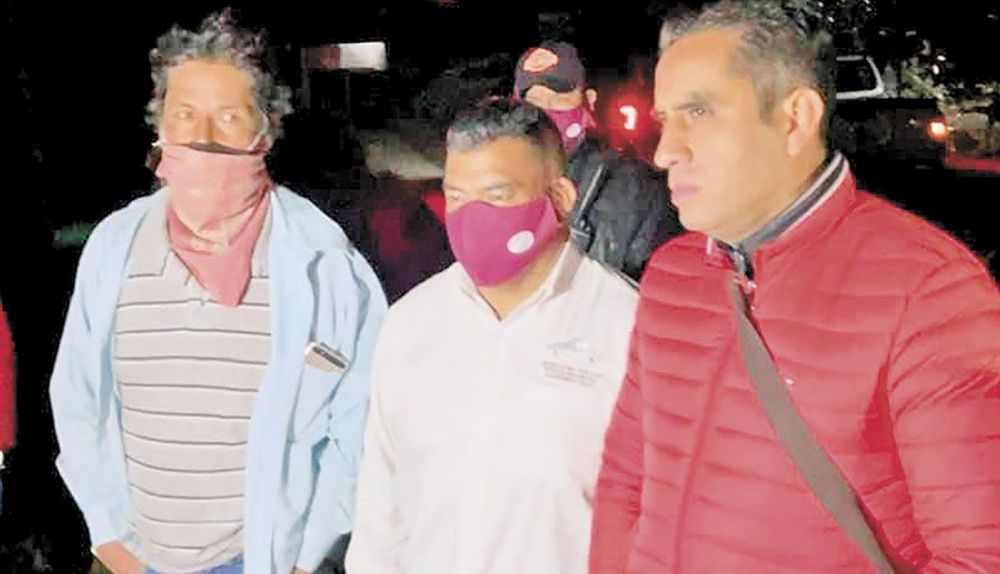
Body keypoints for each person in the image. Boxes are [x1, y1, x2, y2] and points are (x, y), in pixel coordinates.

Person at [590, 2, 1000, 572]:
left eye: (698, 112)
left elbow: (979, 554)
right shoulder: (671, 276)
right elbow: (626, 482)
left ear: (795, 119)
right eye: (666, 119)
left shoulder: (928, 291)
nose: (665, 151)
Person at [49, 12, 386, 574]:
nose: (202, 135)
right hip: (135, 556)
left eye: (228, 116)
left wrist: (305, 556)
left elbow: (361, 420)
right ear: (159, 123)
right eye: (185, 113)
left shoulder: (324, 262)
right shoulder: (114, 247)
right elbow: (78, 397)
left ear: (266, 128)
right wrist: (108, 536)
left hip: (259, 559)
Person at [345, 98, 639, 573]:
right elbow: (382, 501)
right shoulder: (412, 322)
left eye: (497, 195)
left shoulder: (624, 326)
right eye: (457, 197)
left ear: (561, 197)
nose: (471, 217)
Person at [515, 41, 684, 281]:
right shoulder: (494, 178)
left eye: (559, 97)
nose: (546, 111)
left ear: (589, 99)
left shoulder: (635, 188)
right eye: (535, 101)